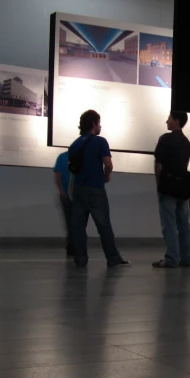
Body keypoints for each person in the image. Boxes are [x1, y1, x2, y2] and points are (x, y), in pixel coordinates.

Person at [68, 110, 129, 268]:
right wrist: (106, 176)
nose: (100, 126)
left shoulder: (75, 144)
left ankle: (80, 259)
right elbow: (108, 164)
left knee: (79, 227)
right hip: (95, 189)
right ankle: (113, 258)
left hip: (78, 189)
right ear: (93, 124)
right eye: (99, 123)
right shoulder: (100, 141)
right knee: (104, 226)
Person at [153, 111, 190, 269]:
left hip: (167, 187)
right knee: (184, 224)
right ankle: (188, 258)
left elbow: (159, 164)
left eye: (169, 119)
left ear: (177, 121)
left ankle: (171, 258)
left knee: (169, 224)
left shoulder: (165, 139)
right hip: (182, 188)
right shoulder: (186, 142)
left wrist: (159, 183)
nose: (167, 121)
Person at [53, 151, 74, 256]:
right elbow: (58, 176)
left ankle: (74, 246)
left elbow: (58, 176)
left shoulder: (63, 157)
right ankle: (72, 246)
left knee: (72, 222)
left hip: (75, 195)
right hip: (69, 195)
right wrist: (61, 191)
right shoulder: (63, 157)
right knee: (72, 222)